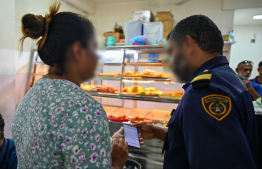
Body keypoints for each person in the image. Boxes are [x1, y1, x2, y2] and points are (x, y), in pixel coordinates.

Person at [12, 3, 134, 169]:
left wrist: (101, 144)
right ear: (78, 51)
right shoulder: (86, 110)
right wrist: (116, 163)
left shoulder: (28, 98)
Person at [132, 15, 258, 169]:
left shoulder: (204, 91)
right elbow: (210, 144)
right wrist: (160, 133)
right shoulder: (225, 78)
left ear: (186, 44)